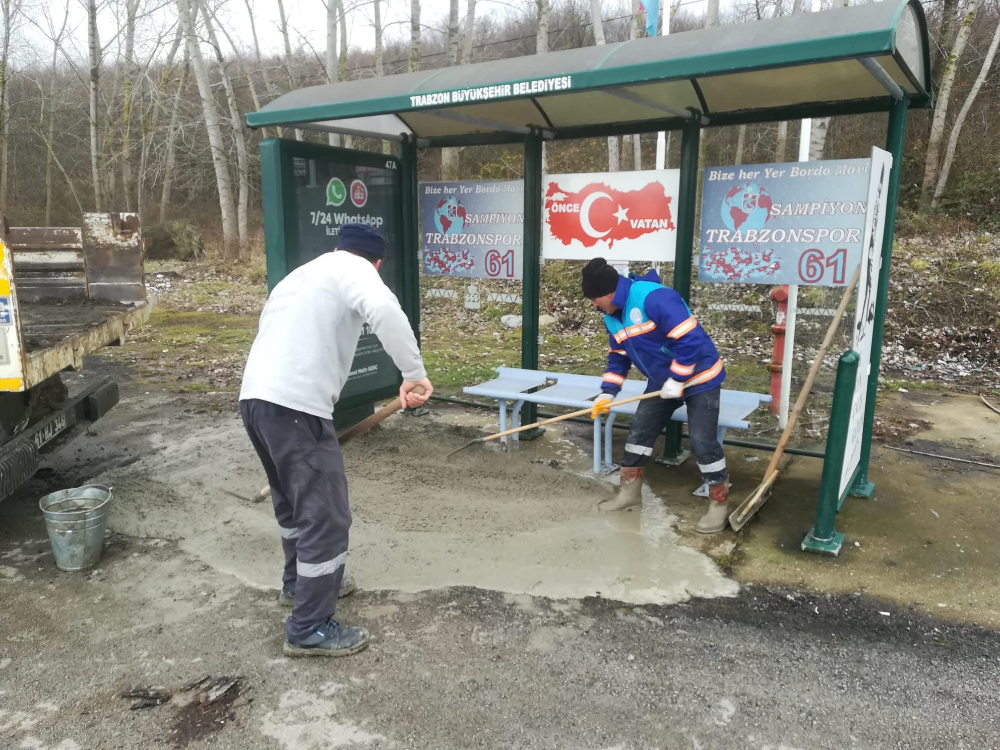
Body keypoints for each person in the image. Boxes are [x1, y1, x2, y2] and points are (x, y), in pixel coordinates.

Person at [239, 223, 433, 658]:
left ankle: (298, 586)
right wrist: (413, 373)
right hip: (296, 407)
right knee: (326, 517)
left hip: (255, 400)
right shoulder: (357, 271)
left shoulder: (301, 276)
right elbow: (383, 308)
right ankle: (308, 627)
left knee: (292, 504)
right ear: (376, 261)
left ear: (336, 247)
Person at [582, 257, 729, 533]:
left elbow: (689, 339)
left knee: (702, 441)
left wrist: (679, 378)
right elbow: (619, 357)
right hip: (663, 383)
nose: (593, 304)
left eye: (594, 298)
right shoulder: (611, 317)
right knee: (639, 434)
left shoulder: (654, 298)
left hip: (701, 377)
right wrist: (607, 394)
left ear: (609, 292)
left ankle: (719, 503)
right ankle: (629, 495)